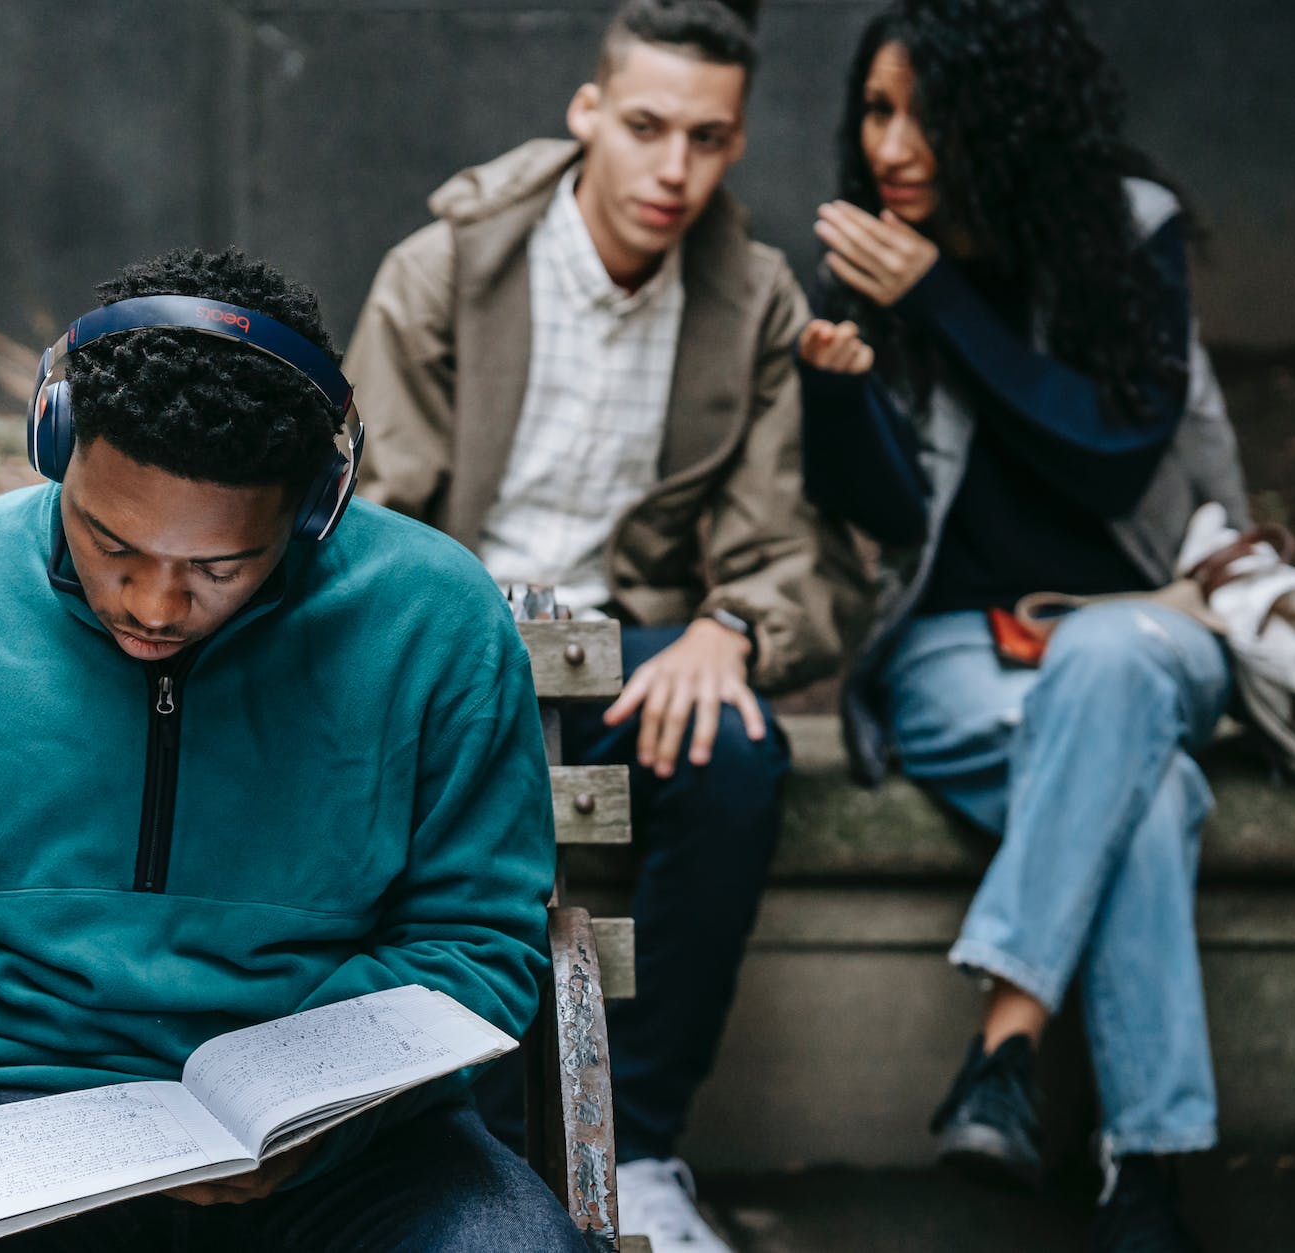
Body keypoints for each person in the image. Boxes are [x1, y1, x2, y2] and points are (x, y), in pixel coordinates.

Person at [0, 246, 586, 1253]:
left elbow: (475, 930)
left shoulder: (434, 622)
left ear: (314, 506)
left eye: (218, 565)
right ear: (54, 441)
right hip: (10, 1127)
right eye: (111, 542)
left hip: (362, 1147)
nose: (153, 604)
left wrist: (317, 1106)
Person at [344, 2, 867, 1247]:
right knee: (444, 806)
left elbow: (789, 545)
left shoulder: (747, 299)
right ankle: (458, 1158)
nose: (673, 170)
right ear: (587, 115)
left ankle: (642, 1146)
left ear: (737, 143)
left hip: (630, 650)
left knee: (737, 757)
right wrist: (449, 657)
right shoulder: (449, 266)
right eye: (645, 127)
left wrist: (729, 628)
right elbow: (366, 514)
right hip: (454, 637)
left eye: (707, 137)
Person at [796, 2, 1248, 1249]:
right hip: (955, 655)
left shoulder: (1126, 237)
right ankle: (1146, 1177)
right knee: (1144, 797)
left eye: (922, 111)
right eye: (874, 109)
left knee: (1105, 668)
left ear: (1002, 115)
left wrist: (944, 303)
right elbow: (879, 507)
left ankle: (1002, 1042)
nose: (889, 143)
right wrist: (836, 398)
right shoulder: (879, 259)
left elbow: (1109, 458)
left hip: (1152, 621)